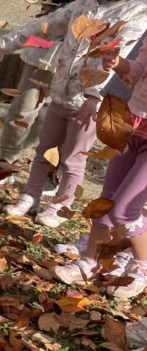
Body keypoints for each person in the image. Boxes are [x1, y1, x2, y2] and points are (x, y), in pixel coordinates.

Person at [0, 0, 147, 228]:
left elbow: (124, 60)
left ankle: (60, 205)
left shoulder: (139, 13)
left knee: (73, 157)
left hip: (91, 102)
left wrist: (96, 96)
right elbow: (49, 24)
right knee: (44, 149)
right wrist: (8, 42)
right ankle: (30, 194)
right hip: (63, 91)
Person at [0, 0, 101, 189]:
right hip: (48, 47)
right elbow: (50, 5)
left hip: (84, 60)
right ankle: (5, 165)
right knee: (22, 108)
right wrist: (9, 41)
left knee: (71, 121)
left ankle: (55, 175)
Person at [53, 38, 147, 298]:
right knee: (107, 200)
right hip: (132, 126)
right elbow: (139, 69)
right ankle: (90, 261)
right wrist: (120, 65)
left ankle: (141, 268)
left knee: (126, 210)